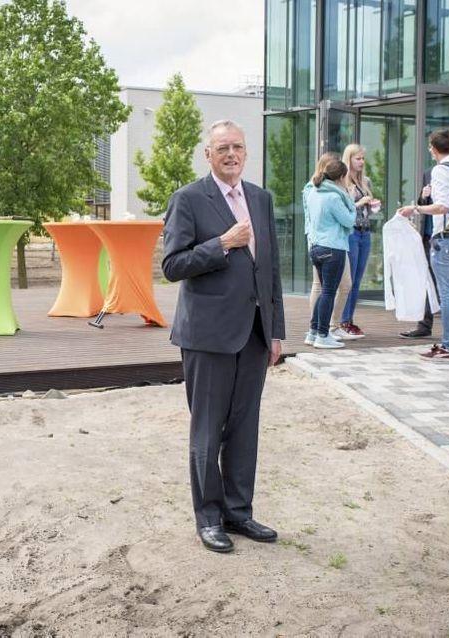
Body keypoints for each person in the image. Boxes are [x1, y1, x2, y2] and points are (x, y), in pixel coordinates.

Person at [162, 119, 285, 554]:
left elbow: (269, 271)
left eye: (237, 146)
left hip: (254, 336)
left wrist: (276, 332)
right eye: (222, 148)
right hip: (208, 336)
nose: (231, 154)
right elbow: (172, 265)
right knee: (207, 432)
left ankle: (239, 513)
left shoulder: (261, 199)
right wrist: (223, 244)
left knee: (244, 428)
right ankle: (209, 518)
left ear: (245, 152)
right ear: (208, 155)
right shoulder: (188, 200)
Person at [397, 129, 449, 360]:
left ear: (434, 148)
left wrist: (415, 209)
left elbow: (443, 206)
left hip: (446, 238)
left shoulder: (440, 170)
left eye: (430, 146)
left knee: (447, 293)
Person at [305, 158, 357, 349]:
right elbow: (349, 220)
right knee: (328, 291)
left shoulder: (314, 192)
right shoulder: (335, 197)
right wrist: (350, 201)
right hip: (333, 248)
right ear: (341, 177)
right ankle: (323, 335)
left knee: (323, 291)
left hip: (316, 246)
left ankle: (313, 332)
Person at [339, 144, 379, 338]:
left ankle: (349, 319)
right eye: (358, 159)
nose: (362, 162)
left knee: (358, 280)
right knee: (349, 279)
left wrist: (373, 205)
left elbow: (368, 210)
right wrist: (358, 203)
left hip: (365, 232)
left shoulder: (366, 182)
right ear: (349, 159)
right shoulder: (342, 182)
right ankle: (343, 321)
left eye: (363, 158)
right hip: (350, 232)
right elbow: (342, 209)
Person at [398, 171, 437, 338]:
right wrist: (423, 197)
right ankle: (424, 325)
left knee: (444, 285)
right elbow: (424, 204)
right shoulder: (428, 174)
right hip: (428, 235)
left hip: (446, 236)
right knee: (425, 280)